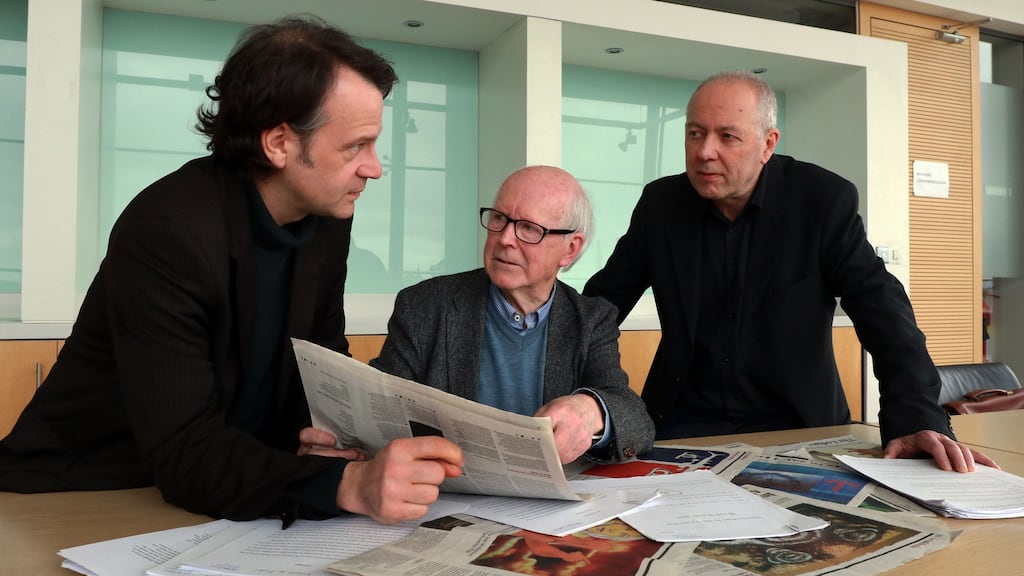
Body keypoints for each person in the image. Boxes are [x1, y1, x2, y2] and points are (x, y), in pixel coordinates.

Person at [0, 16, 463, 526]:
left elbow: (320, 362)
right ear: (279, 143)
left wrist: (320, 438)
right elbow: (181, 446)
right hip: (94, 489)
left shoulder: (326, 219)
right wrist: (348, 484)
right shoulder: (168, 228)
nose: (374, 167)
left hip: (228, 485)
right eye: (356, 146)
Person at [583, 70, 996, 473]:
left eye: (727, 136)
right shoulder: (662, 205)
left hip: (799, 427)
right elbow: (602, 305)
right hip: (682, 426)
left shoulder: (821, 201)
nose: (705, 151)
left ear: (768, 144)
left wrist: (915, 418)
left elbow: (883, 312)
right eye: (695, 133)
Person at [358, 165, 655, 464]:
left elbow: (636, 421)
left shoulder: (591, 319)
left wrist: (592, 410)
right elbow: (379, 409)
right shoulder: (426, 305)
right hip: (445, 493)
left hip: (547, 503)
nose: (505, 239)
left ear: (570, 249)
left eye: (528, 228)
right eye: (500, 218)